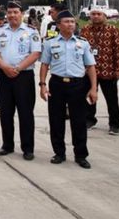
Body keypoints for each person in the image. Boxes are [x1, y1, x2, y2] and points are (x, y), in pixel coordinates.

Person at [39, 10, 98, 169]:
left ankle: (81, 155)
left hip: (77, 85)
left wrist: (93, 89)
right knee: (56, 120)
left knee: (79, 121)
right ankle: (59, 153)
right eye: (66, 22)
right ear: (58, 25)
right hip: (57, 84)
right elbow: (44, 64)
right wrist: (42, 84)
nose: (70, 24)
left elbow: (90, 67)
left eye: (72, 22)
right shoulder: (50, 43)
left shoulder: (82, 43)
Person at [0, 1, 41, 160]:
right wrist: (4, 67)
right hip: (4, 75)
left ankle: (28, 148)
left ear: (22, 13)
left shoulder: (31, 31)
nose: (12, 15)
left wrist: (18, 68)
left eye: (16, 12)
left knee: (25, 113)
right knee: (5, 112)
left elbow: (35, 53)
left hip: (24, 76)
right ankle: (7, 145)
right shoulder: (0, 31)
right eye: (10, 12)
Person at [80, 8, 119, 134]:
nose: (95, 16)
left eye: (98, 14)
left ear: (104, 16)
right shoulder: (85, 30)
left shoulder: (113, 30)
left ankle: (114, 124)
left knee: (111, 99)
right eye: (93, 14)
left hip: (108, 70)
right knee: (88, 96)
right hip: (88, 71)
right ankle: (89, 119)